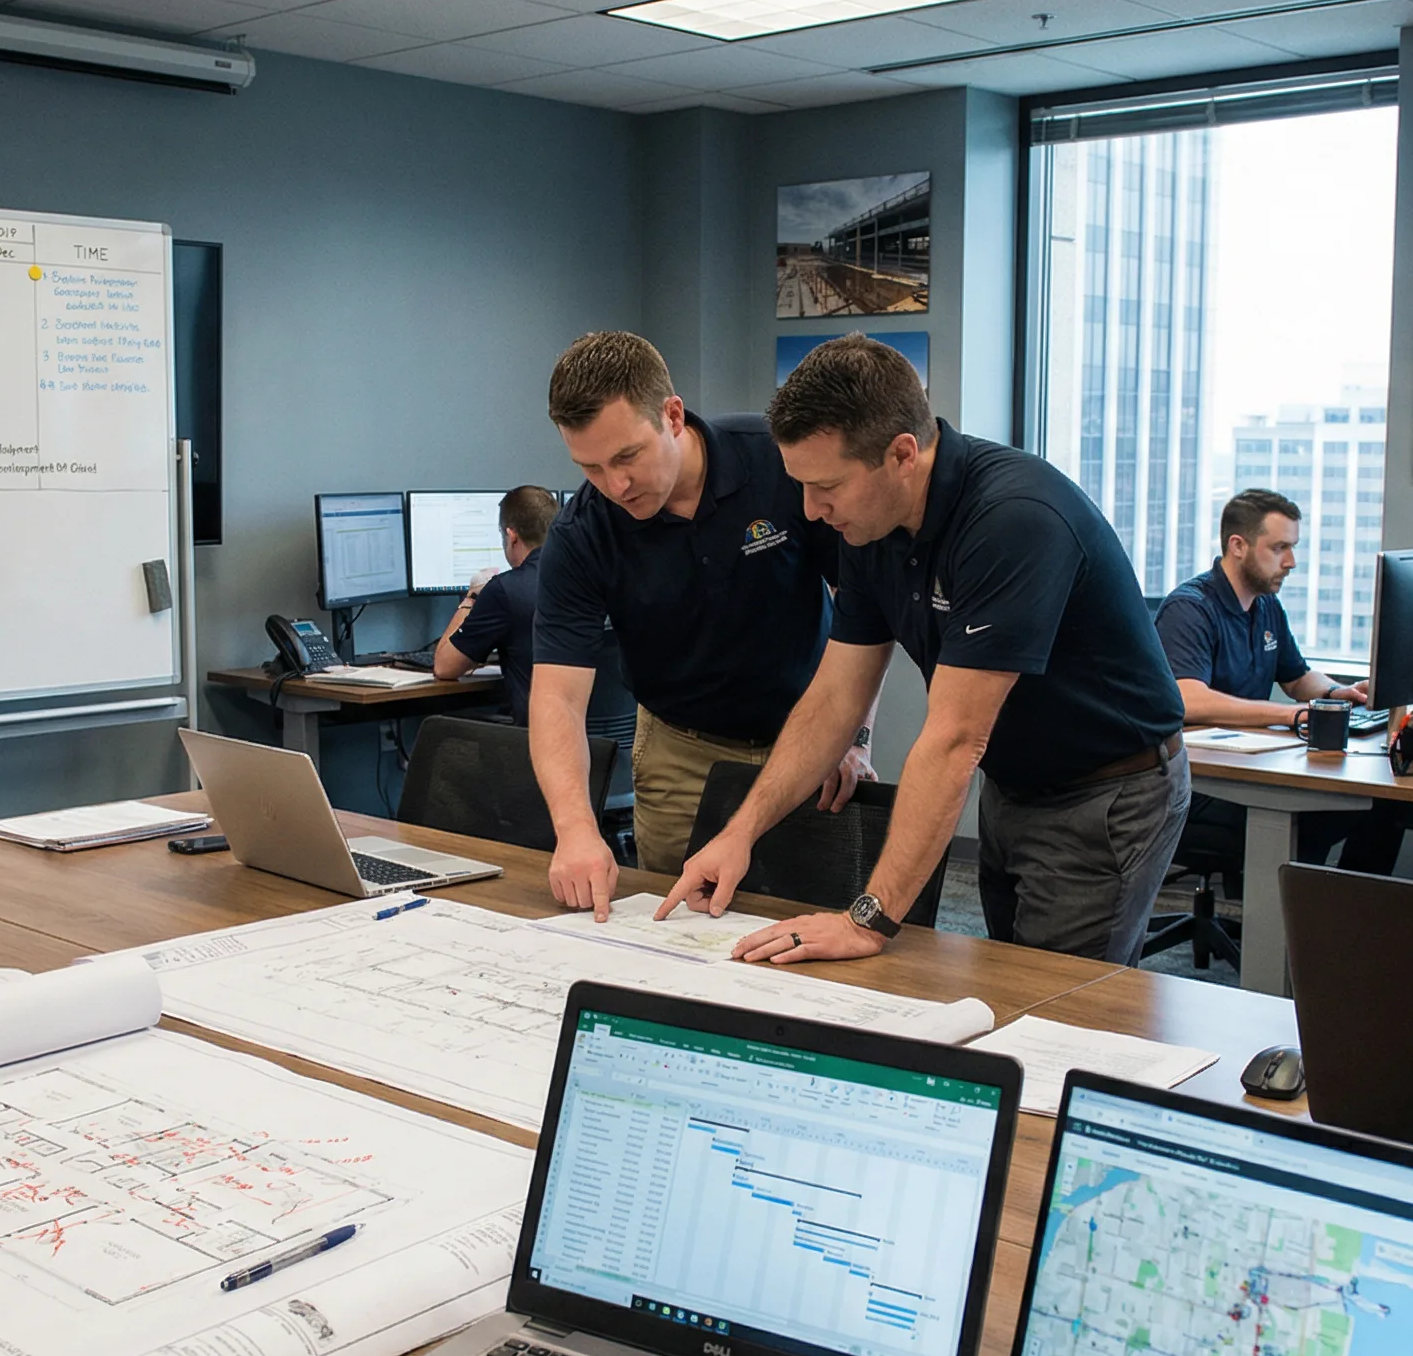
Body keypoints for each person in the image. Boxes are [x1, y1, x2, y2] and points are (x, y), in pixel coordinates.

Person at [662, 334, 1192, 966]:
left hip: (1107, 791)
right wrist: (740, 834)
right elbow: (834, 696)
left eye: (826, 485)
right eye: (799, 486)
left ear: (902, 454)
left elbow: (953, 739)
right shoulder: (868, 524)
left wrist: (868, 920)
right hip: (1016, 781)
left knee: (1057, 1000)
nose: (810, 508)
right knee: (1007, 974)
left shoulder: (1012, 519)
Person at [529, 332, 872, 914]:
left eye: (627, 456)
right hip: (681, 753)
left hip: (814, 735)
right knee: (679, 928)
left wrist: (854, 733)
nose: (615, 486)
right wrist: (575, 829)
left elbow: (865, 610)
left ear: (673, 415)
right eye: (590, 467)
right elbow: (557, 697)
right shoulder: (582, 531)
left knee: (823, 920)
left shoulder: (776, 461)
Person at [1154, 488, 1406, 875]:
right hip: (1195, 782)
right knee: (1313, 818)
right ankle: (1285, 925)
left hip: (1249, 764)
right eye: (1279, 548)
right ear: (1238, 545)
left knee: (1379, 805)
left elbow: (1298, 676)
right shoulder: (1190, 609)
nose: (1290, 562)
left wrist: (1338, 693)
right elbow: (1189, 700)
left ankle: (1344, 924)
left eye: (1293, 548)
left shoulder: (1265, 604)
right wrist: (1292, 716)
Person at [430, 485, 558, 723]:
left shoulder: (504, 590)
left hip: (538, 741)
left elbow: (445, 668)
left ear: (512, 536)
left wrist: (472, 597)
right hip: (597, 742)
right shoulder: (587, 578)